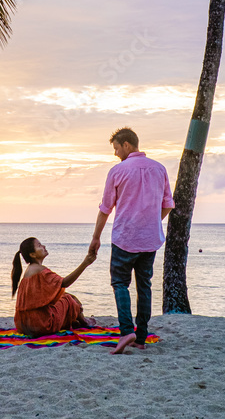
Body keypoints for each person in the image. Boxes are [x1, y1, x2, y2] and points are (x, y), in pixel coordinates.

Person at [88, 127, 174, 354]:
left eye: (116, 148)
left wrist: (96, 238)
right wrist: (151, 222)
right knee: (144, 286)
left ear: (127, 145)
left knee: (120, 284)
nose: (115, 153)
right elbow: (167, 205)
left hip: (124, 238)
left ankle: (127, 331)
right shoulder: (160, 169)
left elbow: (105, 209)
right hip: (150, 239)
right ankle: (141, 338)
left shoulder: (118, 171)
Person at [12, 237, 97, 336]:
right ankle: (85, 322)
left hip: (23, 325)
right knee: (69, 299)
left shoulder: (30, 270)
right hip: (41, 325)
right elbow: (65, 283)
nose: (44, 246)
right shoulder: (40, 270)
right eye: (39, 246)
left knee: (63, 297)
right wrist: (85, 263)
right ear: (32, 254)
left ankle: (75, 321)